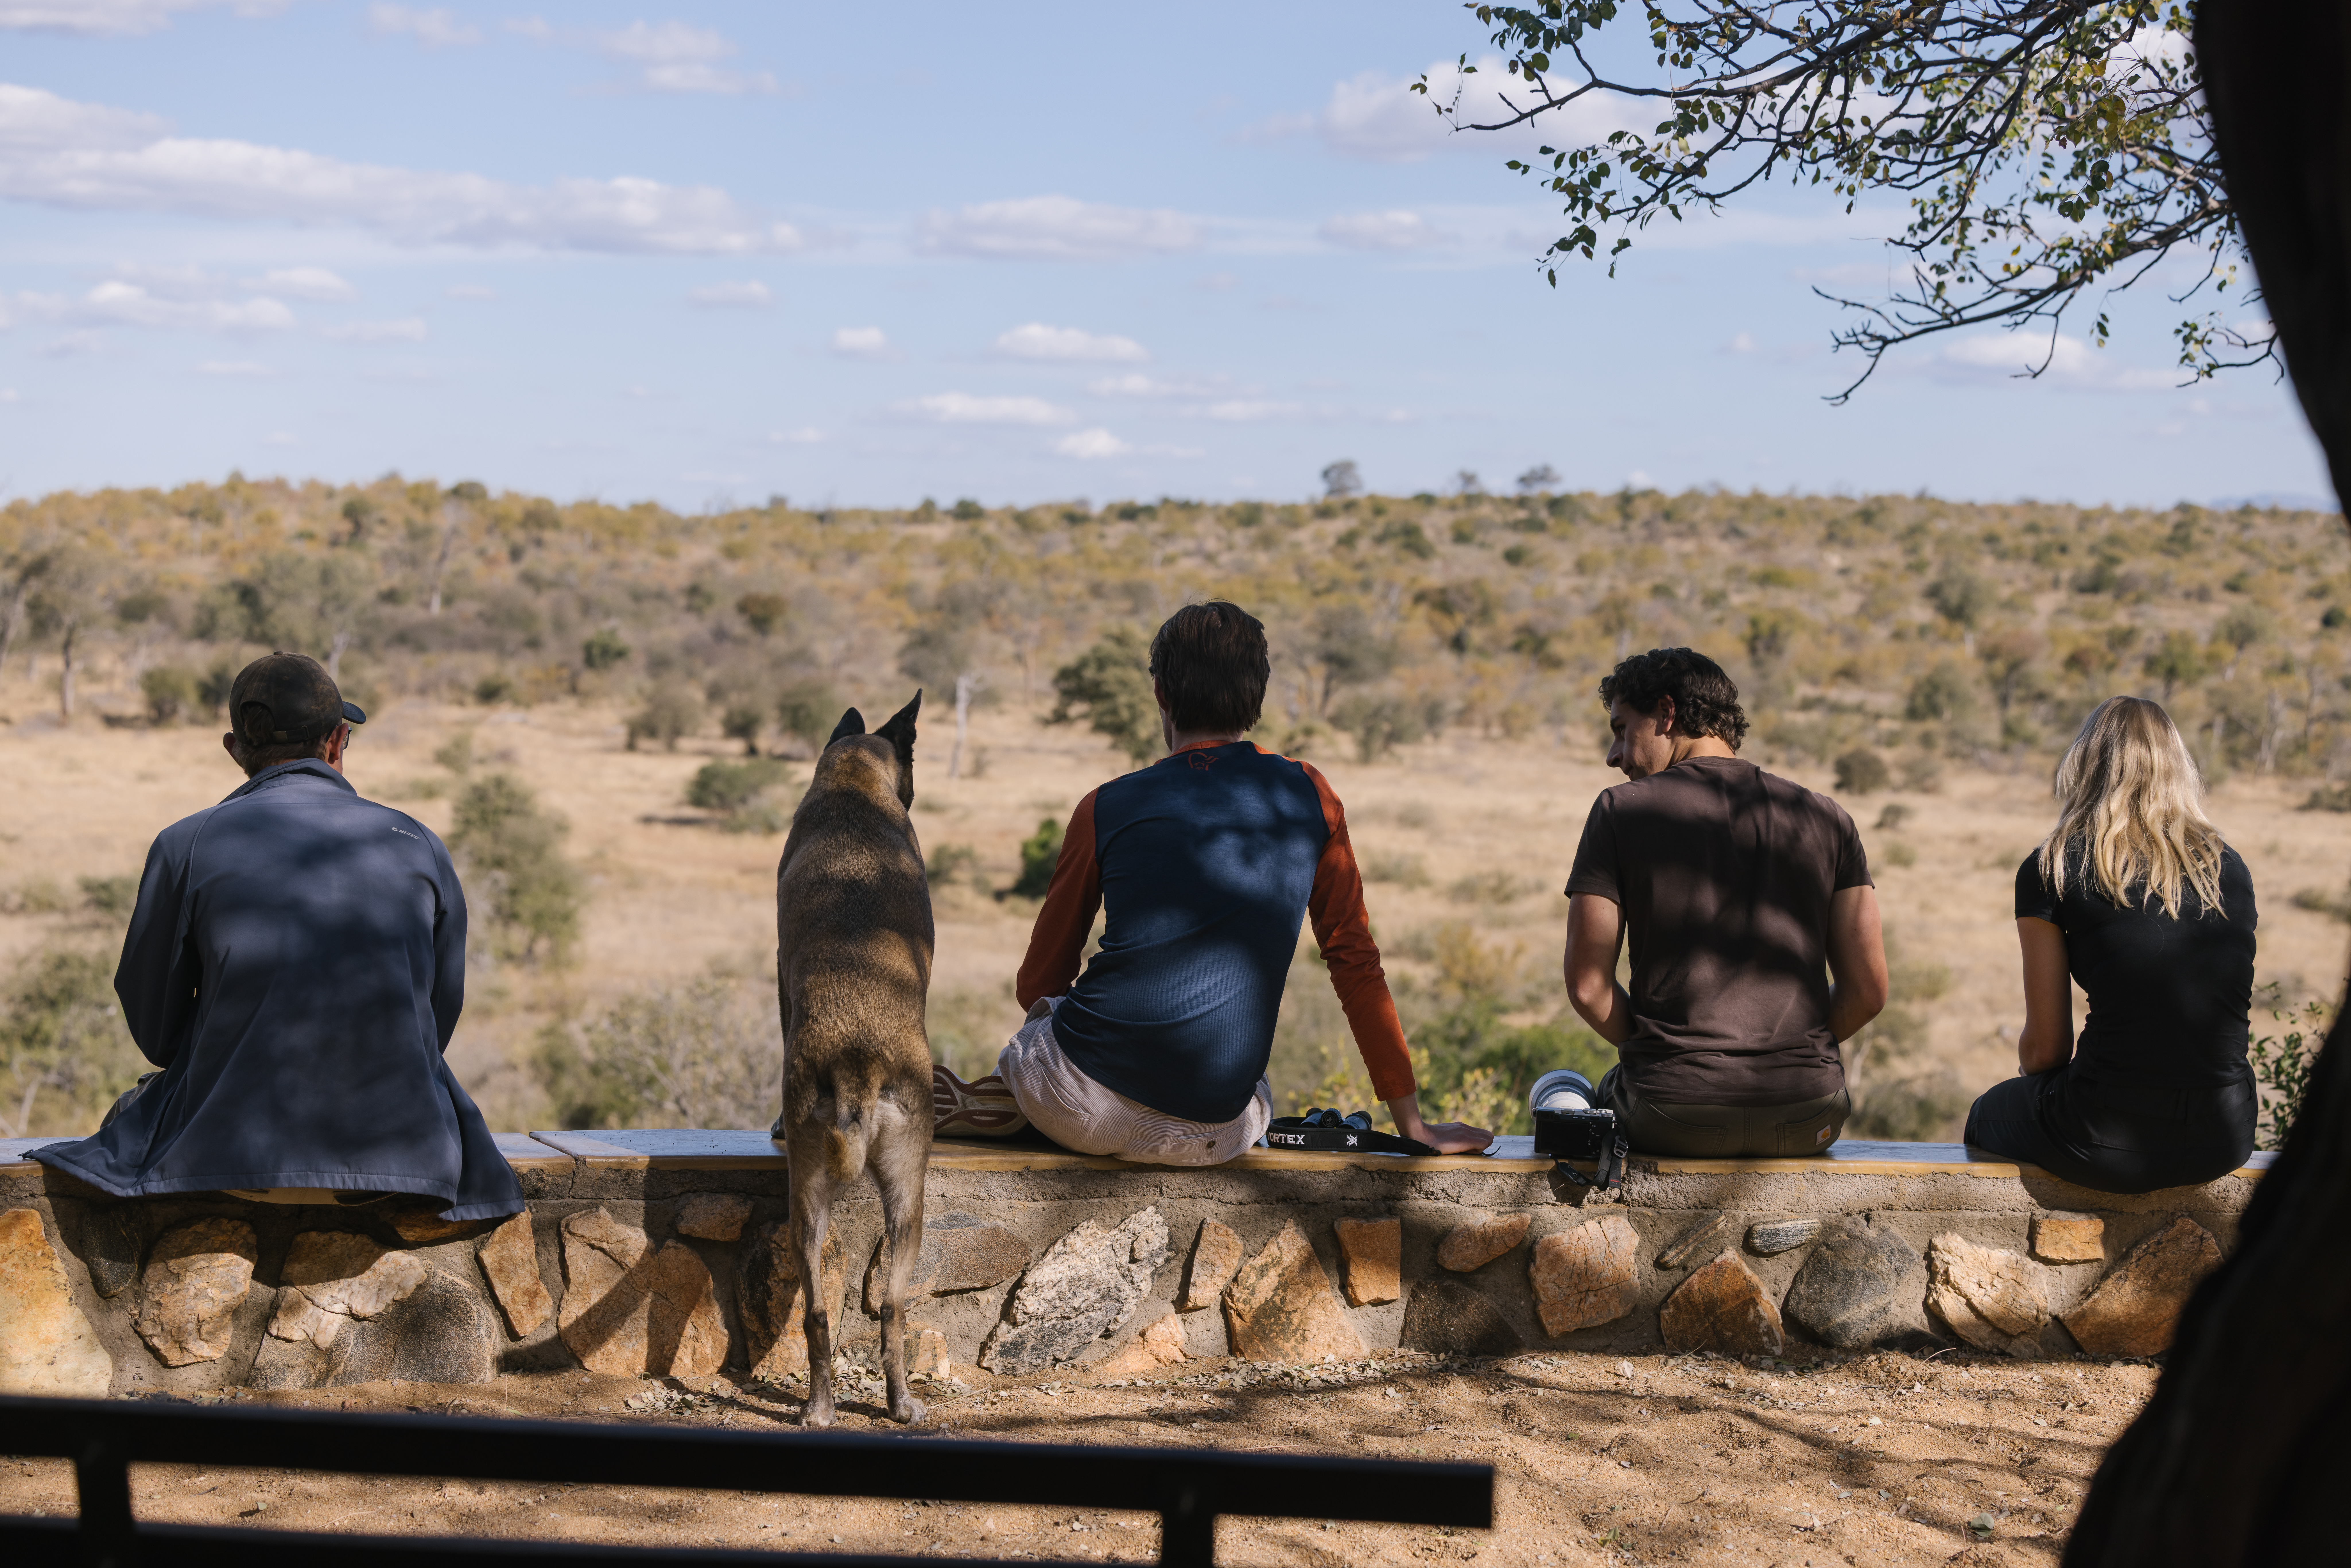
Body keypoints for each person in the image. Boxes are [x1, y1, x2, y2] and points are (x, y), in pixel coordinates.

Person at [932, 601, 1490, 1163]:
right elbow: (1355, 962)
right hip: (1216, 1133)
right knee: (1259, 1091)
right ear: (1257, 697)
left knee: (1041, 1026)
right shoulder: (1312, 796)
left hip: (1079, 1102)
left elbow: (1038, 982)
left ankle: (1021, 1102)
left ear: (1161, 695)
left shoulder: (1105, 805)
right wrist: (1412, 1125)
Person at [34, 653, 522, 1222]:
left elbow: (158, 1033)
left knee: (131, 1111)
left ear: (235, 749)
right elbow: (433, 1025)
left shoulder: (184, 843)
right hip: (408, 1161)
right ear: (338, 741)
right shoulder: (416, 840)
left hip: (224, 1156)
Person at [1561, 647, 1888, 1156]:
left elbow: (1587, 987)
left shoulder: (1619, 812)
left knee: (1567, 1091)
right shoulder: (1829, 818)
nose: (1614, 755)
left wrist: (1666, 1056)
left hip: (1670, 1112)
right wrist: (1795, 1050)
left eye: (1622, 730)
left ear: (1667, 714)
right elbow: (1868, 991)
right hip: (1811, 1114)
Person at [1964, 696, 2257, 1192]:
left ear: (2086, 765)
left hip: (2107, 1138)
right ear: (2178, 770)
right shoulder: (2228, 868)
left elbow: (2046, 1050)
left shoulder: (2053, 867)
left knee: (1985, 1114)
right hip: (2226, 1136)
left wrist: (2038, 1084)